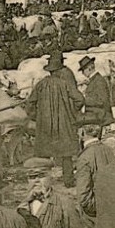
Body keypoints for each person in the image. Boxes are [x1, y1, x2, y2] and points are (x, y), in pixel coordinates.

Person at [26, 51, 85, 188]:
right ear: (59, 70)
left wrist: (36, 117)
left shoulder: (41, 84)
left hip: (44, 124)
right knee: (66, 154)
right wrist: (72, 111)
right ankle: (69, 181)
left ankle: (43, 181)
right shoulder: (65, 84)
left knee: (43, 154)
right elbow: (80, 99)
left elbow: (30, 103)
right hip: (63, 123)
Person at [77, 55, 113, 129]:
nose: (83, 73)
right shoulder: (94, 80)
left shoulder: (99, 80)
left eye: (83, 70)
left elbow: (102, 101)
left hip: (101, 118)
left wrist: (84, 98)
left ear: (89, 68)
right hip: (96, 115)